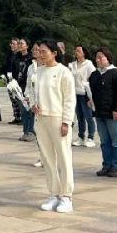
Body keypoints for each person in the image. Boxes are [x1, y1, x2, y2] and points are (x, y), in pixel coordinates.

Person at [32, 39, 75, 214]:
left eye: (44, 51)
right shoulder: (38, 72)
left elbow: (69, 99)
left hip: (58, 119)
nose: (41, 54)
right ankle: (54, 193)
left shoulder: (64, 72)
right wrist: (32, 104)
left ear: (54, 53)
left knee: (63, 157)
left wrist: (66, 122)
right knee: (47, 158)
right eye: (39, 51)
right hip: (41, 119)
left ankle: (66, 196)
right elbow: (31, 91)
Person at [90, 48, 117, 177]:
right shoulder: (94, 75)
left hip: (112, 113)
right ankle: (107, 164)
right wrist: (90, 101)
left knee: (116, 141)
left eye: (101, 57)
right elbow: (91, 91)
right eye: (97, 57)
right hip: (99, 113)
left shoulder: (115, 74)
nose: (98, 60)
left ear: (108, 58)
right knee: (104, 141)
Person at [69, 45, 95, 148]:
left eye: (79, 50)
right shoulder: (72, 65)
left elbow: (93, 78)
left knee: (88, 116)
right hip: (75, 94)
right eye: (75, 50)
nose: (76, 52)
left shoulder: (88, 64)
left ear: (84, 53)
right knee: (80, 117)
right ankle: (80, 137)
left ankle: (91, 137)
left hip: (85, 94)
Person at [17, 38, 36, 141]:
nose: (20, 45)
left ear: (27, 46)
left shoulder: (30, 59)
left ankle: (30, 131)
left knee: (30, 111)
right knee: (23, 110)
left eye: (22, 43)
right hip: (19, 87)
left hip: (28, 87)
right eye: (19, 43)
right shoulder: (17, 57)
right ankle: (25, 131)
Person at [5, 38, 22, 124]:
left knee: (19, 99)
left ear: (18, 45)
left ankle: (22, 118)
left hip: (17, 81)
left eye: (13, 44)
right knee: (13, 100)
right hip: (9, 80)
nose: (11, 45)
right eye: (11, 43)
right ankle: (17, 117)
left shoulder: (20, 56)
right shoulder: (9, 55)